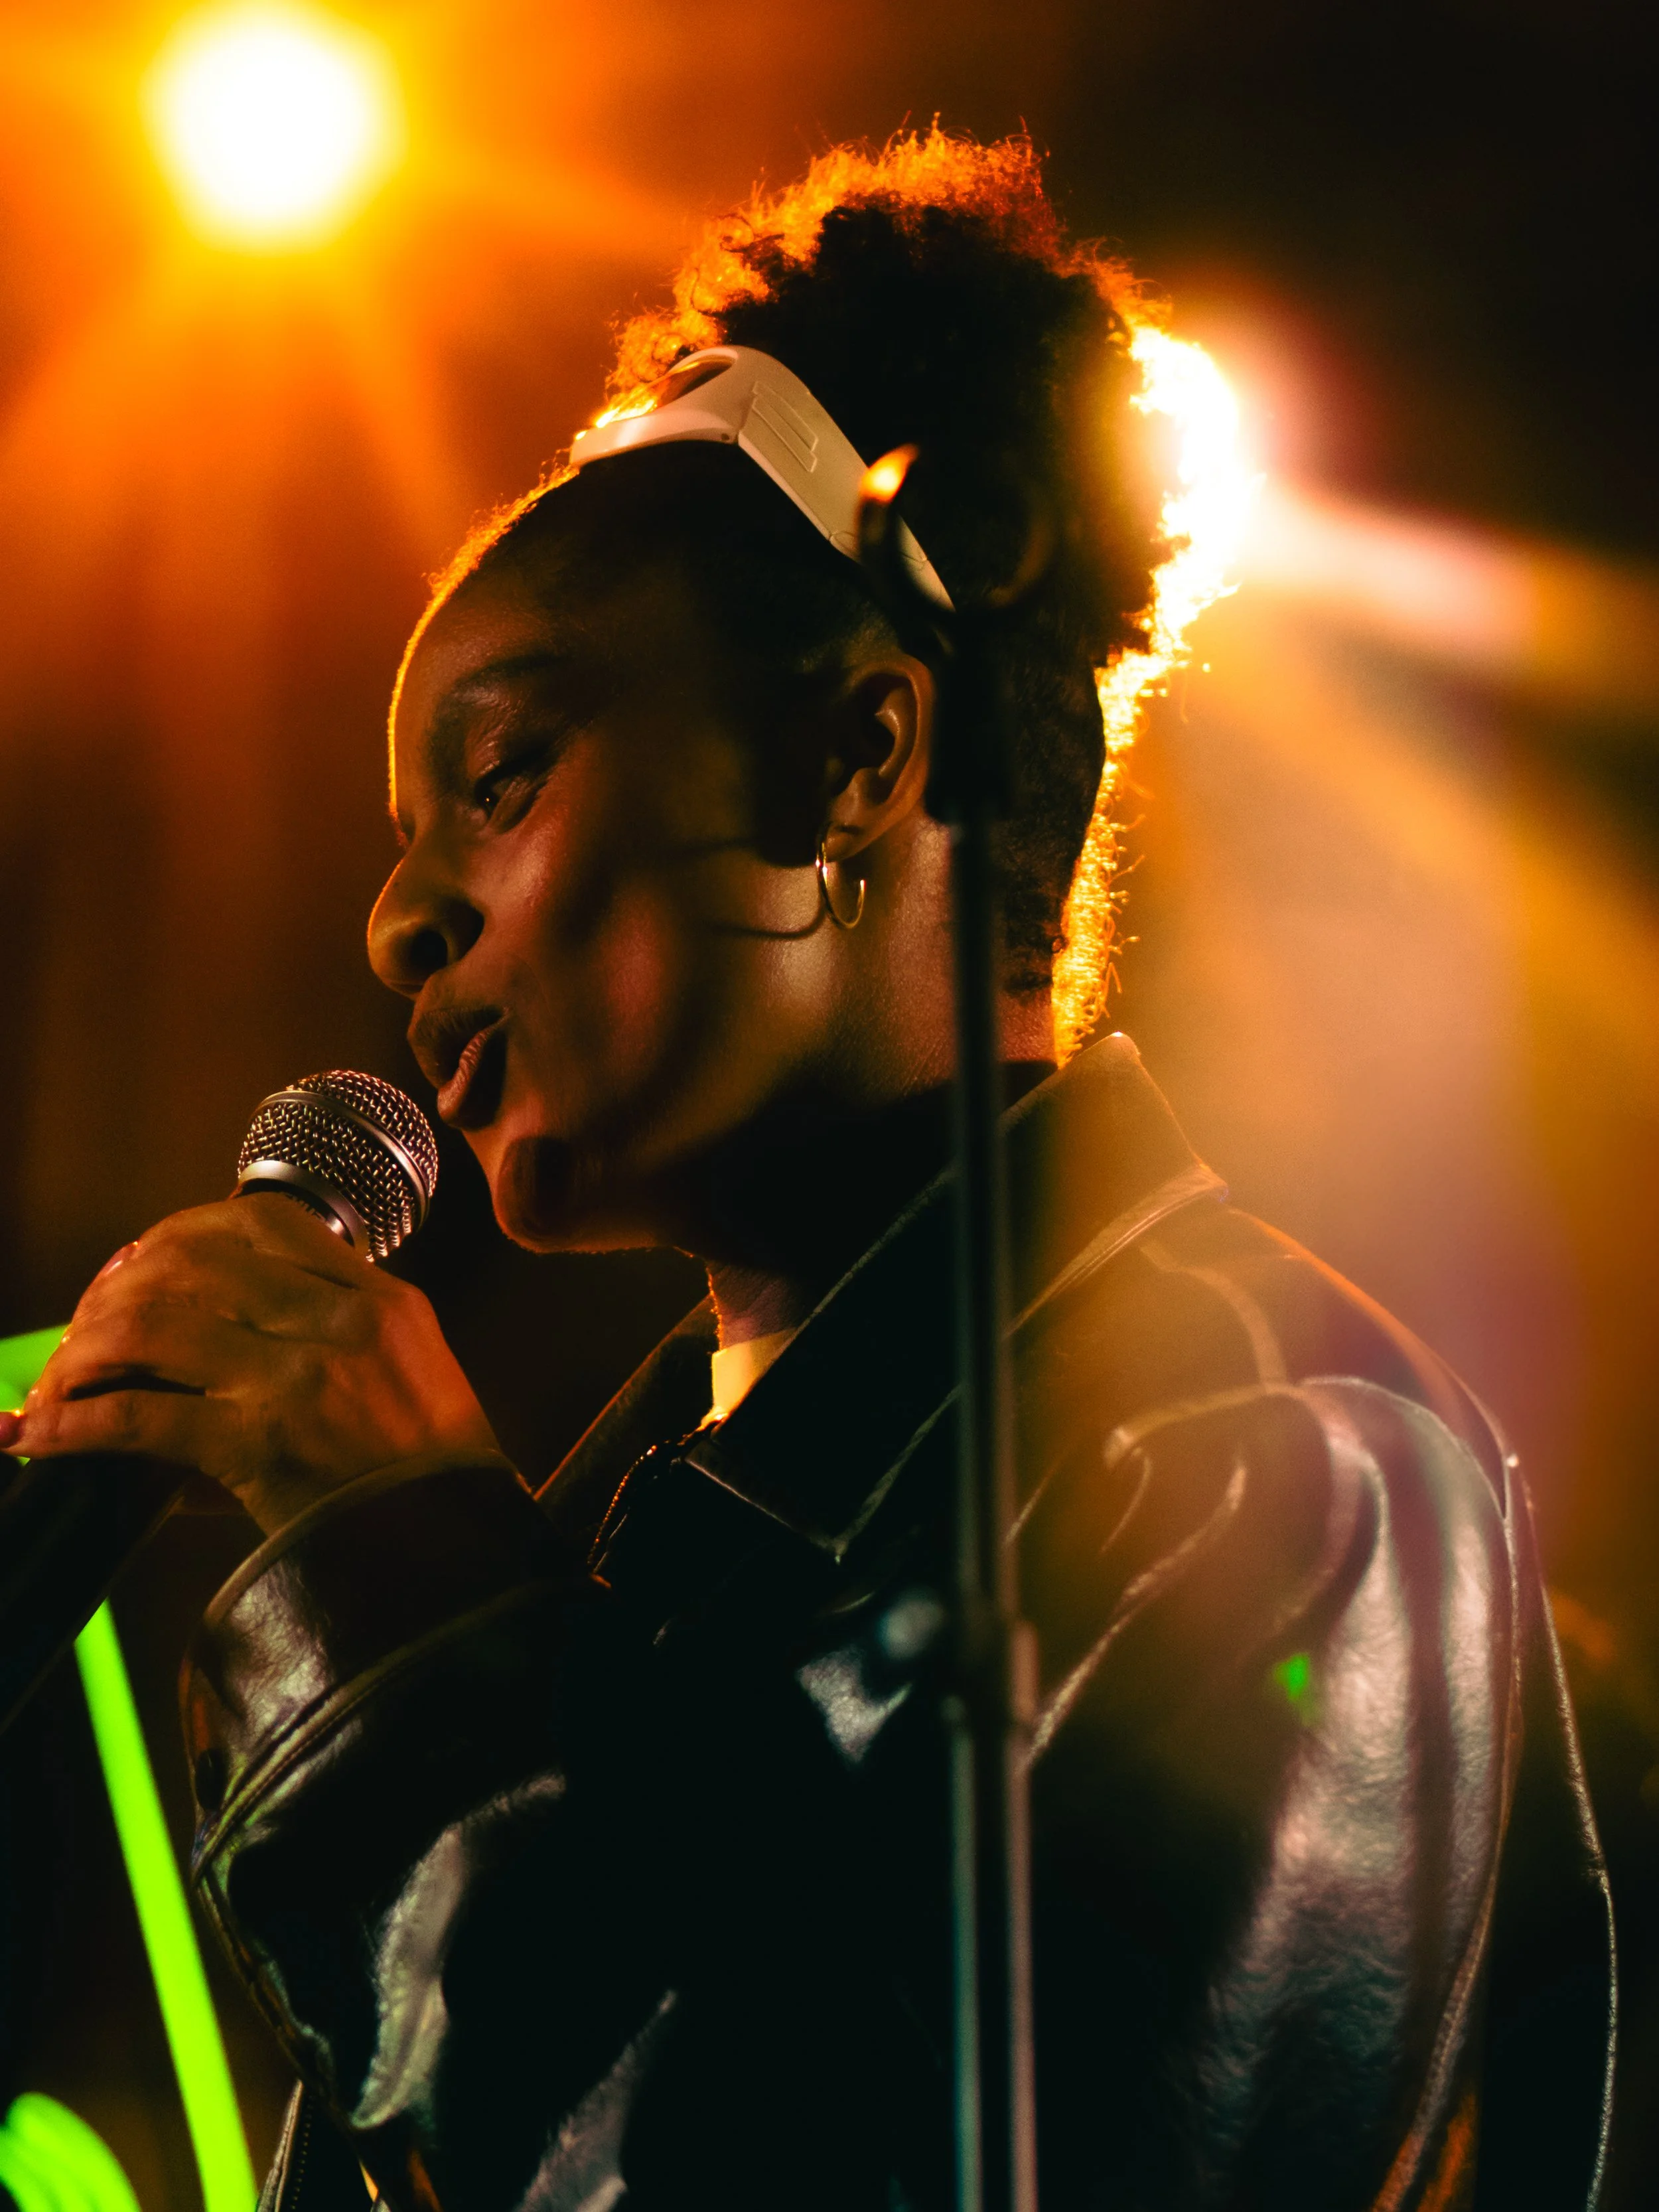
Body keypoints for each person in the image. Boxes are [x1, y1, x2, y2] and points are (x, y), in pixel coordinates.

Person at [0, 131, 1615, 2211]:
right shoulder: (627, 1540)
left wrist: (390, 1610)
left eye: (497, 780)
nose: (400, 918)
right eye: (398, 840)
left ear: (858, 760)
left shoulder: (1269, 1457)